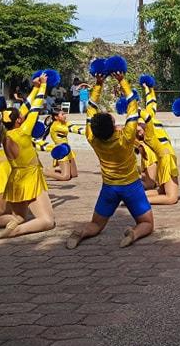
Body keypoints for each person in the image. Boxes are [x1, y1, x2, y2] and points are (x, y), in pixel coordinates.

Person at [66, 69, 154, 249]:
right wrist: (122, 80)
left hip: (109, 188)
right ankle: (134, 233)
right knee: (147, 223)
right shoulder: (126, 139)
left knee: (96, 225)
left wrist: (98, 84)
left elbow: (90, 108)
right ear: (114, 126)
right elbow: (133, 107)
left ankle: (80, 233)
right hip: (131, 186)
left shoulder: (93, 138)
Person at [0, 74, 57, 241]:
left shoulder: (4, 133)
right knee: (47, 221)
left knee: (18, 217)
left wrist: (35, 87)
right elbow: (35, 108)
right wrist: (44, 86)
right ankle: (14, 232)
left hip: (15, 179)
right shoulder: (23, 132)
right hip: (30, 177)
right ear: (19, 119)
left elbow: (26, 107)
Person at [138, 77, 180, 205]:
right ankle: (134, 200)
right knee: (171, 198)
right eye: (137, 132)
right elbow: (146, 112)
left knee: (162, 191)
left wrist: (148, 88)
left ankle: (132, 196)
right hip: (166, 158)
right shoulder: (149, 133)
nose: (139, 130)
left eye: (138, 129)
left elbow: (151, 104)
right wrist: (132, 105)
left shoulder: (148, 121)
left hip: (166, 158)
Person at [44, 107, 78, 181]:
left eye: (64, 114)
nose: (65, 115)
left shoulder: (64, 123)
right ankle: (43, 172)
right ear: (56, 117)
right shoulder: (55, 126)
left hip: (68, 149)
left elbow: (74, 127)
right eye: (62, 114)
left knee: (74, 174)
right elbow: (71, 129)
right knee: (65, 177)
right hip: (61, 151)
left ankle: (54, 169)